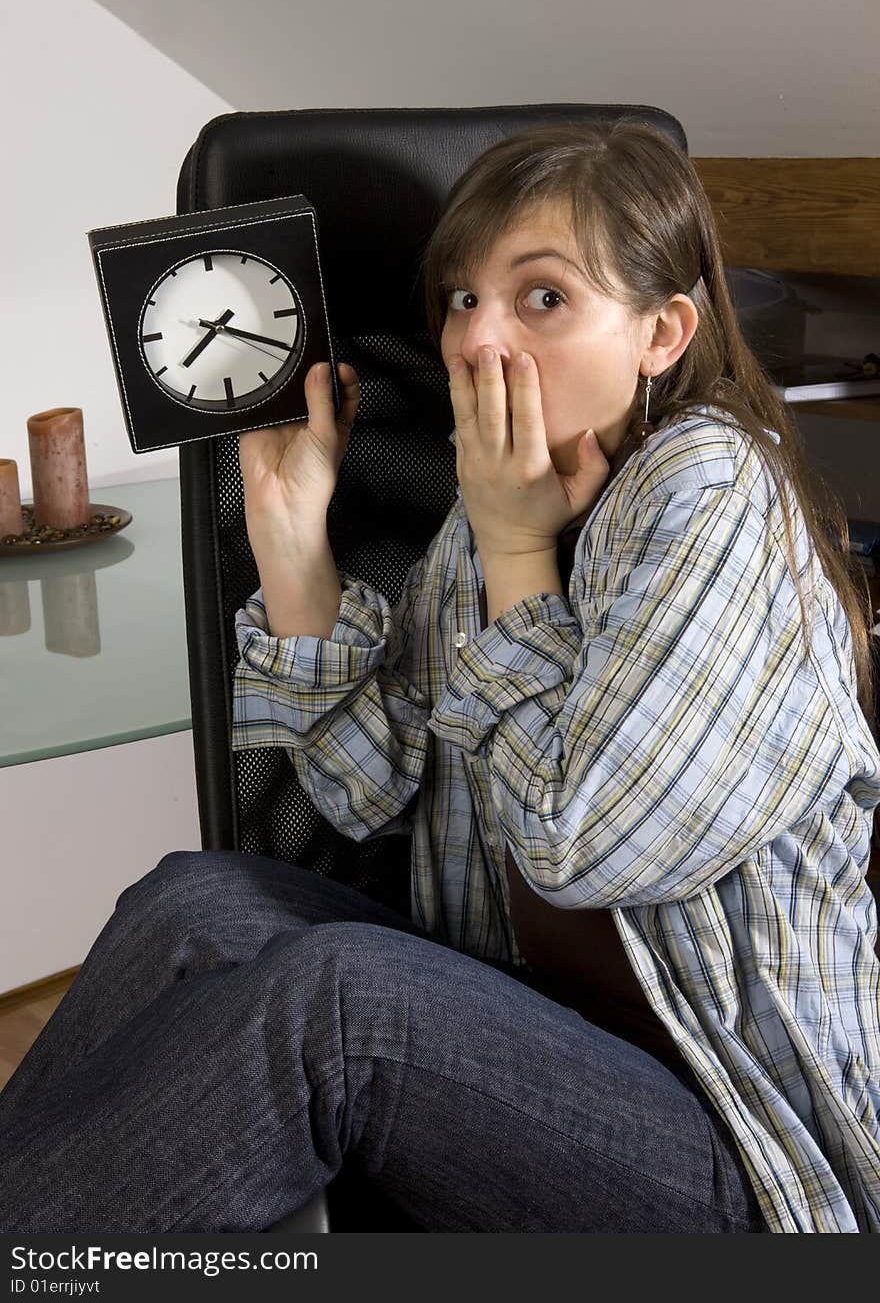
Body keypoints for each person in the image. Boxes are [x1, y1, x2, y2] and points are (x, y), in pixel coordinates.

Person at [1, 121, 878, 1233]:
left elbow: (578, 843)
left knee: (340, 1005)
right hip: (532, 1021)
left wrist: (518, 552)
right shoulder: (489, 512)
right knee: (198, 900)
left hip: (741, 1152)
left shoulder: (709, 490)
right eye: (462, 299)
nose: (478, 337)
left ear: (662, 332)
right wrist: (286, 530)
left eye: (542, 297)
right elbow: (373, 792)